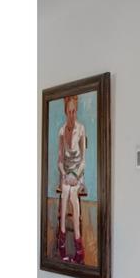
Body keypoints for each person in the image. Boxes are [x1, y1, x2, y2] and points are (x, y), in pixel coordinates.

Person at [56, 95, 88, 264]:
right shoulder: (61, 131)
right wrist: (64, 174)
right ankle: (61, 236)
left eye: (74, 111)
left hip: (77, 173)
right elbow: (60, 161)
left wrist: (75, 175)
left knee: (73, 197)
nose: (72, 114)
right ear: (65, 112)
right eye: (69, 111)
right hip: (66, 173)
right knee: (64, 194)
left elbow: (83, 160)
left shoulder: (81, 129)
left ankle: (78, 245)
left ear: (76, 111)